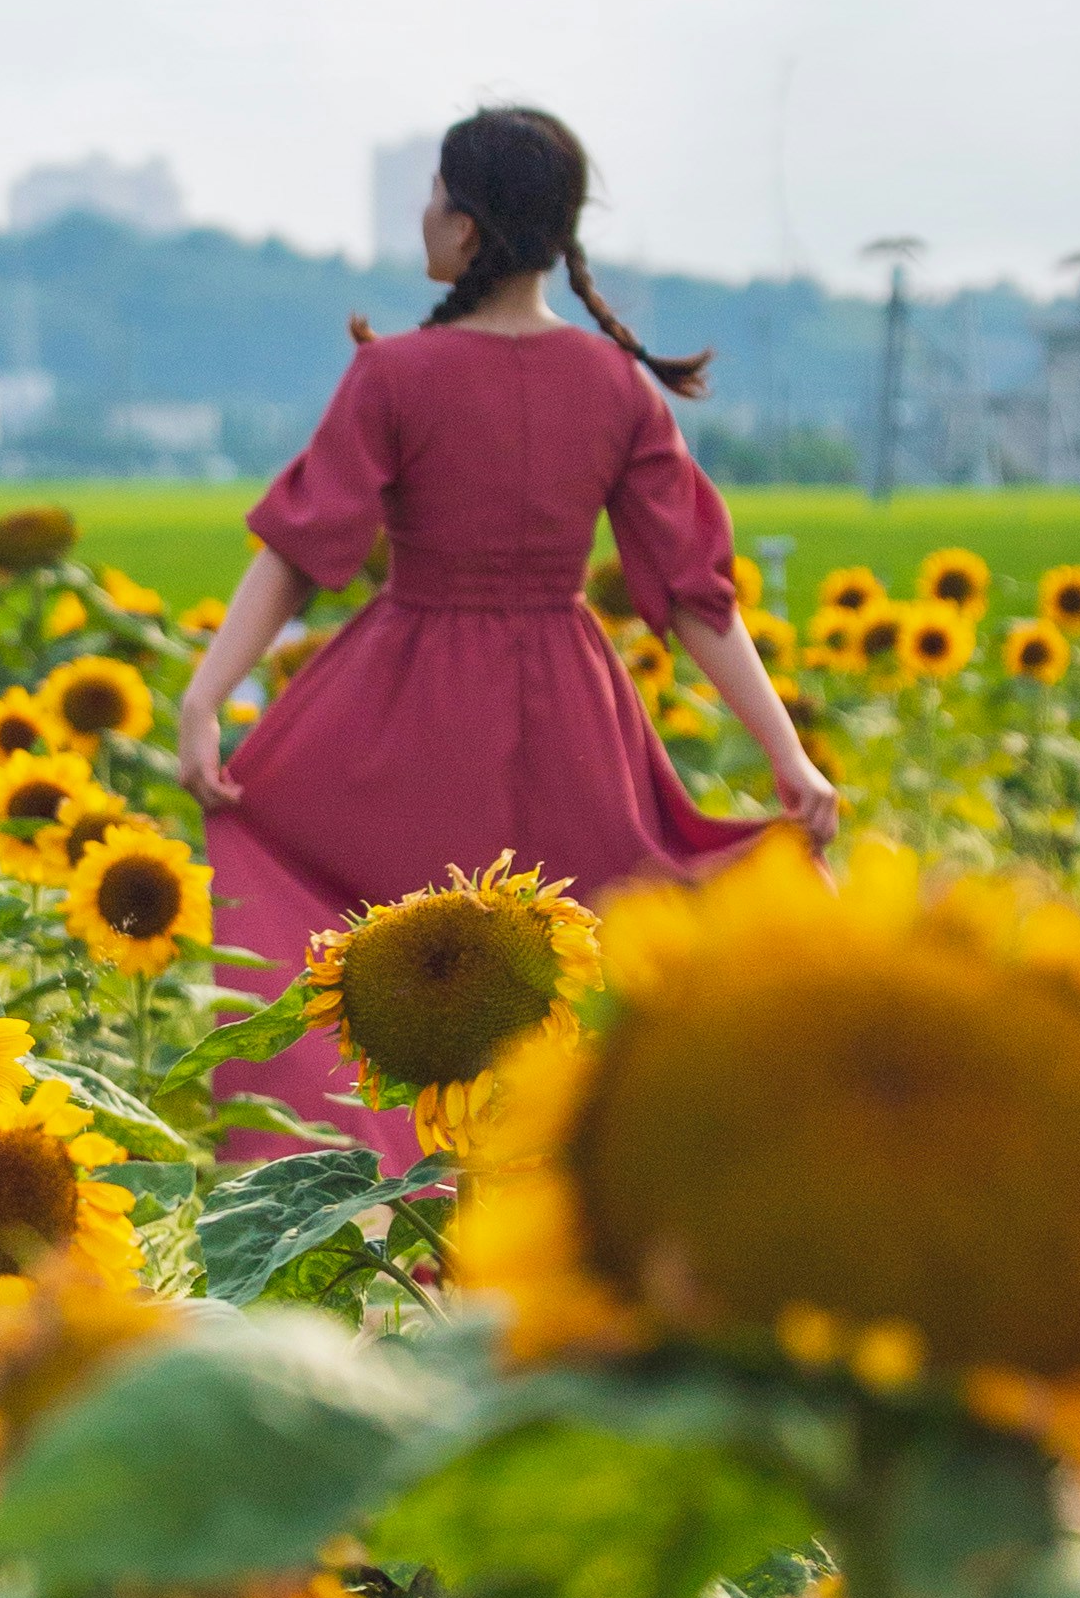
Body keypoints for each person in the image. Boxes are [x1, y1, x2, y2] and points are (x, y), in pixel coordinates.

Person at [176, 103, 835, 1163]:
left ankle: (371, 1178)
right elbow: (696, 596)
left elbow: (301, 552)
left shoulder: (392, 375)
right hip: (571, 715)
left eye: (437, 194)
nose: (423, 213)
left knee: (382, 951)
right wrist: (784, 754)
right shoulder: (615, 387)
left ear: (470, 226)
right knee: (580, 953)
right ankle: (591, 1183)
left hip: (398, 706)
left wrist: (207, 696)